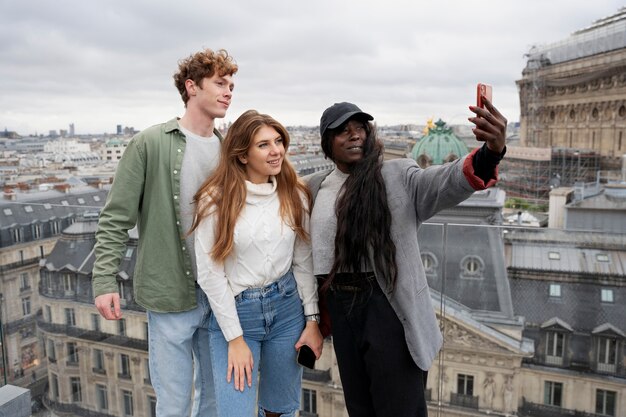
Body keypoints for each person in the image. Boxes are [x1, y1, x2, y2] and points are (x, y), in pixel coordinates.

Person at [307, 99, 507, 417]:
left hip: (386, 307)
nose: (355, 134)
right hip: (340, 310)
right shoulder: (314, 187)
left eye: (360, 127)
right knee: (361, 408)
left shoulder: (397, 175)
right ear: (327, 143)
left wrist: (490, 153)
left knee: (399, 409)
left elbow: (445, 182)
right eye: (343, 131)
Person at [92, 48, 238, 417]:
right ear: (192, 87)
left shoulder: (228, 150)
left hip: (220, 292)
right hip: (170, 291)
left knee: (214, 400)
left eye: (232, 85)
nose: (228, 92)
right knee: (174, 403)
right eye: (220, 83)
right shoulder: (150, 142)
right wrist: (104, 280)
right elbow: (116, 217)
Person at [191, 110, 323, 417]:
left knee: (280, 410)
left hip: (288, 311)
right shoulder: (215, 200)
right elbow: (211, 275)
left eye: (278, 141)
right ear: (241, 155)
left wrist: (313, 321)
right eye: (263, 145)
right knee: (234, 411)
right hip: (238, 315)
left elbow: (303, 262)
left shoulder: (295, 194)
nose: (276, 150)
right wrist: (235, 339)